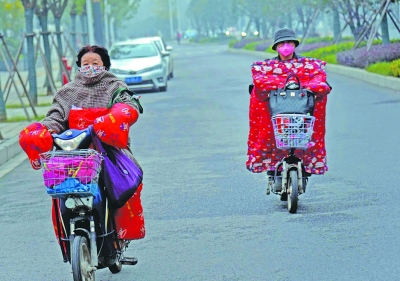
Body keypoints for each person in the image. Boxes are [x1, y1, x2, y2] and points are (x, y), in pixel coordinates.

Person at [19, 45, 145, 266]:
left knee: (118, 192)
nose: (90, 67)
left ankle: (116, 242)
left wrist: (118, 114)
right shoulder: (68, 92)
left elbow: (129, 103)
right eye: (85, 63)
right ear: (79, 66)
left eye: (95, 63)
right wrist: (46, 130)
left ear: (104, 65)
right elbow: (55, 117)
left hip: (107, 154)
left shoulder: (115, 87)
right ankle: (72, 242)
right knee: (63, 195)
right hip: (73, 156)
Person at [246, 28, 332, 184]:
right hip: (277, 114)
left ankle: (305, 164)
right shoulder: (267, 67)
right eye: (282, 43)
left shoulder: (308, 65)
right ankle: (273, 166)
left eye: (289, 43)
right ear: (276, 47)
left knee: (306, 132)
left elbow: (320, 81)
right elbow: (259, 85)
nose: (286, 46)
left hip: (301, 113)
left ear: (294, 44)